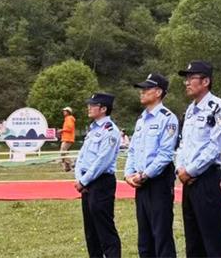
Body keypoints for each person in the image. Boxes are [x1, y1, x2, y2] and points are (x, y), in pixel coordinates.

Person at [175, 61, 221, 258]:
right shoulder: (190, 110)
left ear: (206, 81)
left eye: (192, 78)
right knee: (193, 239)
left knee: (214, 240)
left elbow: (214, 146)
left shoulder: (218, 106)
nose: (187, 83)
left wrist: (191, 170)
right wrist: (180, 169)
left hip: (207, 178)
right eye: (186, 78)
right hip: (187, 181)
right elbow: (182, 144)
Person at [125, 73, 179, 258]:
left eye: (146, 89)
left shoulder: (167, 118)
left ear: (158, 92)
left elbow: (165, 155)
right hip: (141, 182)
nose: (142, 92)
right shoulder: (141, 120)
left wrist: (144, 175)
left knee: (161, 234)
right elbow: (132, 150)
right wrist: (128, 174)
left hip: (157, 181)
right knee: (145, 237)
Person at [75, 93, 122, 258]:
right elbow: (82, 156)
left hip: (101, 182)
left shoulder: (110, 131)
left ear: (103, 109)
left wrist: (84, 179)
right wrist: (79, 177)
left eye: (93, 105)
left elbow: (103, 160)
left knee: (104, 229)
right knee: (91, 231)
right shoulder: (93, 129)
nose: (89, 107)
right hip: (87, 182)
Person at [60, 107, 76, 172]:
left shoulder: (69, 119)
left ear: (68, 112)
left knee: (63, 152)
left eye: (65, 111)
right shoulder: (67, 119)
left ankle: (73, 164)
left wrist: (62, 130)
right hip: (66, 138)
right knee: (64, 152)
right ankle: (67, 167)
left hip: (68, 138)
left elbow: (70, 128)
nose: (63, 112)